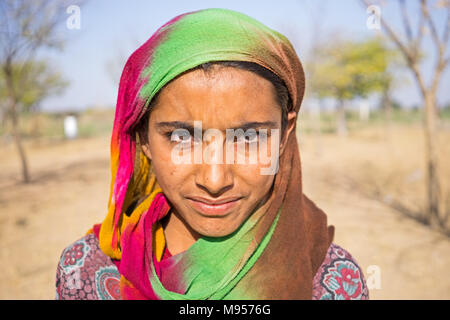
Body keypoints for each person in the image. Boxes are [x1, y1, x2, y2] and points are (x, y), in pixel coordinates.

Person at [56, 8, 369, 300]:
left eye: (249, 137)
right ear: (143, 139)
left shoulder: (331, 282)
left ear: (285, 135)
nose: (215, 179)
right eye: (181, 137)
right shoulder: (88, 271)